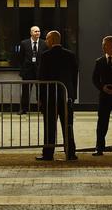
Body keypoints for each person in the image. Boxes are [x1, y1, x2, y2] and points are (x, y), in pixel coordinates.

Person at [36, 30, 78, 161]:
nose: (46, 41)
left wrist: (40, 98)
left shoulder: (45, 56)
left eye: (47, 39)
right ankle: (70, 153)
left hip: (50, 96)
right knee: (68, 125)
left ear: (52, 40)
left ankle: (48, 153)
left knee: (49, 126)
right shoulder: (70, 55)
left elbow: (42, 79)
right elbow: (74, 76)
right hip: (66, 96)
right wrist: (73, 95)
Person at [17, 26, 46, 115]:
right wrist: (23, 68)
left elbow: (45, 57)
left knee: (41, 91)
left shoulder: (44, 43)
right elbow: (20, 57)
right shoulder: (24, 43)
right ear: (31, 33)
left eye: (39, 31)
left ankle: (43, 108)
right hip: (27, 71)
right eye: (35, 31)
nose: (38, 33)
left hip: (40, 72)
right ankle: (24, 109)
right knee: (25, 91)